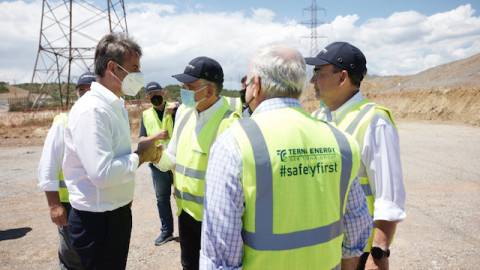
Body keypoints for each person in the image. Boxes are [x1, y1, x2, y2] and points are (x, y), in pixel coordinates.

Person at [200, 43, 372, 270]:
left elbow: (220, 256)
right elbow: (357, 227)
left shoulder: (233, 144)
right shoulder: (342, 142)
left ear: (257, 85)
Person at [62, 33, 161, 269]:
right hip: (97, 222)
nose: (139, 75)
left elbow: (112, 158)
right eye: (134, 68)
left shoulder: (113, 105)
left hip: (113, 214)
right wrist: (140, 156)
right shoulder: (93, 110)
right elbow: (102, 173)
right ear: (112, 68)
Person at [305, 41, 406, 270]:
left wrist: (378, 254)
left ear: (342, 78)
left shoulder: (374, 121)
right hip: (325, 247)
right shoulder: (317, 118)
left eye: (318, 73)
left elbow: (389, 196)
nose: (312, 81)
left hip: (360, 252)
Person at [155, 56, 239, 270]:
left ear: (209, 91)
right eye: (183, 85)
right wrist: (154, 157)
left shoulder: (232, 122)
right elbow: (172, 158)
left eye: (189, 86)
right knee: (189, 265)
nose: (183, 90)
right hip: (186, 214)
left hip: (216, 220)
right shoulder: (184, 113)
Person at [37, 71, 95, 270]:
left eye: (90, 90)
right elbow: (48, 166)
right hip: (70, 205)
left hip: (98, 203)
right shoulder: (64, 123)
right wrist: (54, 204)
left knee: (97, 255)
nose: (85, 95)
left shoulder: (105, 121)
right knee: (72, 257)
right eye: (81, 91)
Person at [139, 81, 177, 245]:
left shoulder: (176, 109)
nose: (155, 98)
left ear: (164, 93)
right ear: (148, 97)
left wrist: (177, 107)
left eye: (158, 94)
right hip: (158, 162)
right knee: (162, 198)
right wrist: (155, 137)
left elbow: (190, 109)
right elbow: (141, 140)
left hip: (177, 161)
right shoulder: (146, 115)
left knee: (182, 196)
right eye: (151, 96)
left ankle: (190, 232)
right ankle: (167, 231)